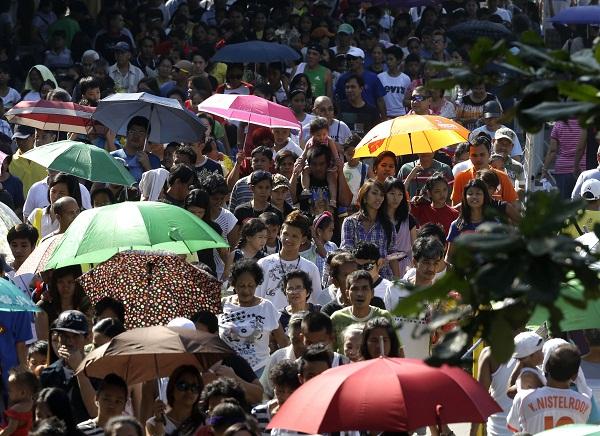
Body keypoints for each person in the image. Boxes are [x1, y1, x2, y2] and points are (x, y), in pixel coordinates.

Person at [219, 259, 289, 376]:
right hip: (228, 371)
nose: (246, 291)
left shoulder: (266, 307)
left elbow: (282, 341)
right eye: (241, 286)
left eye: (251, 286)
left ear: (257, 284)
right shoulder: (222, 304)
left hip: (260, 371)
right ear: (234, 284)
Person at [507, 344, 592, 433]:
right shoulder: (585, 403)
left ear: (547, 367)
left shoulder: (523, 398)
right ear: (575, 375)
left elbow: (515, 429)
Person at [384, 236, 444, 359]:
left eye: (435, 263)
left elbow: (440, 339)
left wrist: (438, 329)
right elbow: (386, 327)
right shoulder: (394, 289)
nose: (431, 269)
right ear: (415, 262)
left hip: (424, 366)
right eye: (426, 263)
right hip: (396, 362)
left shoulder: (441, 297)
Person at [256, 210, 324, 311]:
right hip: (268, 322)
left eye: (294, 236)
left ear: (303, 239)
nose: (288, 239)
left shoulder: (310, 268)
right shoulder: (263, 264)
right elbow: (256, 299)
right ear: (280, 233)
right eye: (286, 234)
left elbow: (316, 302)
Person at [40, 310, 95, 424]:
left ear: (87, 338)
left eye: (75, 336)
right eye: (64, 336)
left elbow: (96, 412)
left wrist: (79, 368)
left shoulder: (97, 370)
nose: (70, 342)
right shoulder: (49, 373)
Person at [341, 179, 400, 280]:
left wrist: (397, 281)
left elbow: (392, 255)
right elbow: (347, 251)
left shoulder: (388, 225)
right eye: (374, 193)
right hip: (357, 279)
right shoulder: (350, 222)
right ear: (364, 197)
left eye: (382, 195)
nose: (379, 198)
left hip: (384, 279)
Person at [330, 270, 394, 353]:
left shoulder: (383, 317)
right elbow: (330, 353)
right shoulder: (337, 318)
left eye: (365, 288)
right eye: (355, 289)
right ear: (347, 294)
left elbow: (396, 350)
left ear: (372, 293)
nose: (360, 293)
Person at [451, 136, 518, 206]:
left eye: (482, 155)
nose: (478, 159)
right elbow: (456, 210)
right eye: (474, 155)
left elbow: (513, 205)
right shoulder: (461, 177)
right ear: (469, 156)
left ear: (489, 154)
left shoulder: (502, 177)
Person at [36, 266, 92, 341]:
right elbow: (43, 342)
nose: (65, 287)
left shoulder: (86, 305)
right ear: (55, 283)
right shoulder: (44, 307)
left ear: (76, 283)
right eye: (60, 282)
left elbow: (90, 338)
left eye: (70, 282)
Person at [145, 365, 204, 436]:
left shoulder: (206, 422)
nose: (189, 391)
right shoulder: (153, 423)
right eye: (183, 386)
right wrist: (159, 422)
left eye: (194, 387)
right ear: (172, 388)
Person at [259, 315, 305, 398]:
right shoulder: (278, 357)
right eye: (296, 341)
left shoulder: (320, 361)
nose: (301, 345)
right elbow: (263, 391)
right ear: (289, 337)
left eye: (304, 340)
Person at [334, 47, 387, 119]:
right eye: (349, 59)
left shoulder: (373, 77)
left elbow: (380, 100)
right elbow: (338, 99)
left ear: (362, 60)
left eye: (354, 58)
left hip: (369, 115)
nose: (351, 61)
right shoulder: (342, 78)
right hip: (348, 115)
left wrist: (384, 119)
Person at [447, 179, 494, 261]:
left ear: (485, 197)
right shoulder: (457, 225)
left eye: (478, 193)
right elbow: (449, 257)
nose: (474, 197)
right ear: (465, 197)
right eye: (470, 194)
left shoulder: (494, 223)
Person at [251, 360, 301, 434]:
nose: (285, 397)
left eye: (291, 393)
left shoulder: (304, 418)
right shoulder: (258, 413)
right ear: (274, 388)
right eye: (280, 391)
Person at [28, 174, 82, 240]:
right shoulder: (36, 214)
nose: (56, 196)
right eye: (53, 191)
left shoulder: (77, 218)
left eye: (61, 193)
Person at [543, 118, 585, 200]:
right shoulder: (585, 125)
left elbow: (552, 150)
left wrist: (544, 169)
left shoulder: (559, 124)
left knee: (565, 204)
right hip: (582, 169)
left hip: (563, 169)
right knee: (583, 203)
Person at [111, 117, 161, 183]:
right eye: (132, 131)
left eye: (141, 132)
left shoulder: (153, 160)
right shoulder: (112, 156)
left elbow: (156, 188)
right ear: (126, 134)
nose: (136, 135)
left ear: (147, 137)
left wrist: (147, 166)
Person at [383, 177, 416, 276]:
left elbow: (414, 247)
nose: (396, 198)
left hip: (406, 267)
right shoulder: (378, 219)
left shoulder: (408, 219)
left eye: (400, 194)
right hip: (384, 267)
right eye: (392, 194)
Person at [10, 125, 47, 198]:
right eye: (17, 139)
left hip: (43, 205)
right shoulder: (10, 162)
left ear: (33, 136)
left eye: (24, 139)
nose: (20, 142)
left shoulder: (45, 158)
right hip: (19, 207)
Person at [0, 368, 38, 436]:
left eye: (10, 390)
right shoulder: (32, 402)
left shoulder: (16, 409)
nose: (8, 392)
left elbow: (10, 429)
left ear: (22, 393)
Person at [378, 45, 411, 117]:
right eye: (387, 59)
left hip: (401, 115)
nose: (388, 62)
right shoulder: (380, 77)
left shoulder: (406, 79)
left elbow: (406, 99)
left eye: (391, 59)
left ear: (398, 60)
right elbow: (379, 99)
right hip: (385, 115)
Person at [342, 134, 374, 208]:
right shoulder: (342, 168)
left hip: (361, 207)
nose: (353, 157)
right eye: (350, 154)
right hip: (345, 207)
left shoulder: (366, 168)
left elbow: (374, 185)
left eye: (355, 154)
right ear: (344, 153)